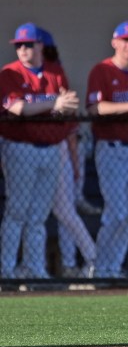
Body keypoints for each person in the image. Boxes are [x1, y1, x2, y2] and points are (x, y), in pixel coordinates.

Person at [0, 22, 79, 278]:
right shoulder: (9, 74)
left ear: (40, 46)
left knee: (39, 215)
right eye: (19, 45)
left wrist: (53, 106)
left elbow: (68, 106)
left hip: (51, 149)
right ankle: (6, 269)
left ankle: (35, 270)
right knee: (17, 212)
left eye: (28, 44)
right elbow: (18, 108)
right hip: (20, 149)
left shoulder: (55, 73)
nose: (23, 49)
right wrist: (53, 104)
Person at [86, 21, 128, 278]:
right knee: (116, 211)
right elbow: (95, 108)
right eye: (125, 40)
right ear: (114, 42)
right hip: (111, 148)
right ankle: (99, 267)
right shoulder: (101, 70)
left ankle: (113, 268)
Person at [39, 27, 97, 278]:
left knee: (62, 211)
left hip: (59, 148)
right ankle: (37, 267)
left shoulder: (57, 76)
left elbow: (71, 131)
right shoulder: (24, 76)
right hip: (33, 151)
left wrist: (74, 165)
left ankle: (91, 259)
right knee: (35, 214)